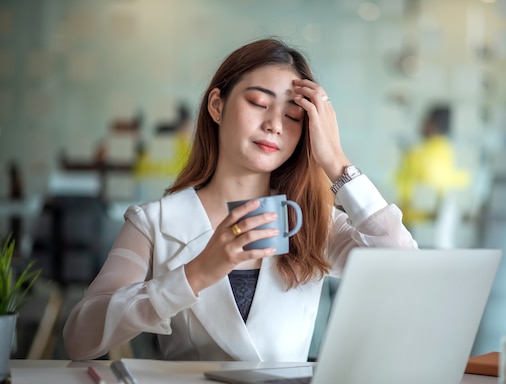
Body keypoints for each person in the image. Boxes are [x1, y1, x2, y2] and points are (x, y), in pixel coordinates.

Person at [63, 38, 417, 362]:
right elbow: (80, 337)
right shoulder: (154, 222)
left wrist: (336, 161)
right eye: (259, 103)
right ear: (217, 106)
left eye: (293, 116)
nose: (274, 125)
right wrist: (196, 274)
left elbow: (404, 273)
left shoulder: (313, 223)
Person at [394, 106, 470, 228]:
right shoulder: (449, 150)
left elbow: (402, 185)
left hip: (410, 218)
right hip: (440, 220)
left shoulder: (416, 153)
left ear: (432, 124)